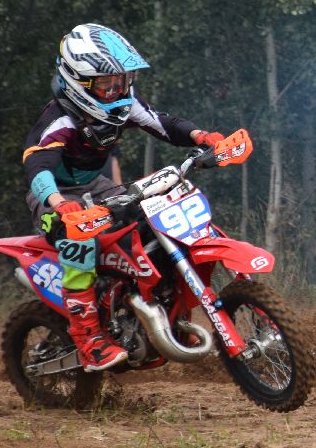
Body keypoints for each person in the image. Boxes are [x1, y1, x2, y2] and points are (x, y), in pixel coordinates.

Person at [23, 23, 232, 371]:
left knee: (155, 218)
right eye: (108, 83)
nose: (118, 89)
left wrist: (202, 136)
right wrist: (60, 204)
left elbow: (162, 123)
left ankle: (168, 315)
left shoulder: (121, 103)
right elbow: (37, 166)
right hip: (53, 198)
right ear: (78, 81)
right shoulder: (58, 121)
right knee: (81, 241)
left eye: (123, 80)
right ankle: (89, 339)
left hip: (99, 188)